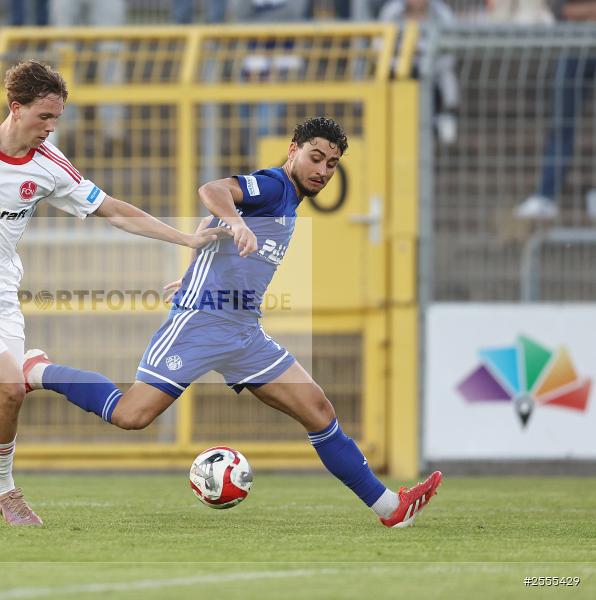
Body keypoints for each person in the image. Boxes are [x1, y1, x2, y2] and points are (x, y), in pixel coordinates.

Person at [23, 117, 443, 528]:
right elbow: (213, 191)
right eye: (315, 157)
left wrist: (192, 270)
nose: (322, 171)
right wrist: (237, 226)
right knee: (131, 416)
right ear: (293, 150)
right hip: (200, 325)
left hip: (244, 332)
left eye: (331, 164)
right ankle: (40, 371)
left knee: (318, 410)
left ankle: (389, 507)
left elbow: (214, 228)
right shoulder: (274, 186)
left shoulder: (289, 202)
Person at [0, 60, 222, 527]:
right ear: (15, 107)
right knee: (9, 386)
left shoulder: (50, 168)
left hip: (3, 293)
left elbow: (113, 210)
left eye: (56, 119)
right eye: (44, 117)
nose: (50, 127)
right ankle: (4, 491)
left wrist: (184, 238)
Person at [514, 0, 596, 220]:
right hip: (573, 46)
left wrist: (582, 12)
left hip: (576, 39)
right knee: (561, 125)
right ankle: (545, 196)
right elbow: (560, 9)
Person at [379, 0, 460, 145]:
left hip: (433, 73)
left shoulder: (442, 13)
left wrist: (425, 64)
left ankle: (444, 119)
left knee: (445, 79)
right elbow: (379, 47)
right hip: (399, 72)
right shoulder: (392, 12)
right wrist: (404, 61)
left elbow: (449, 52)